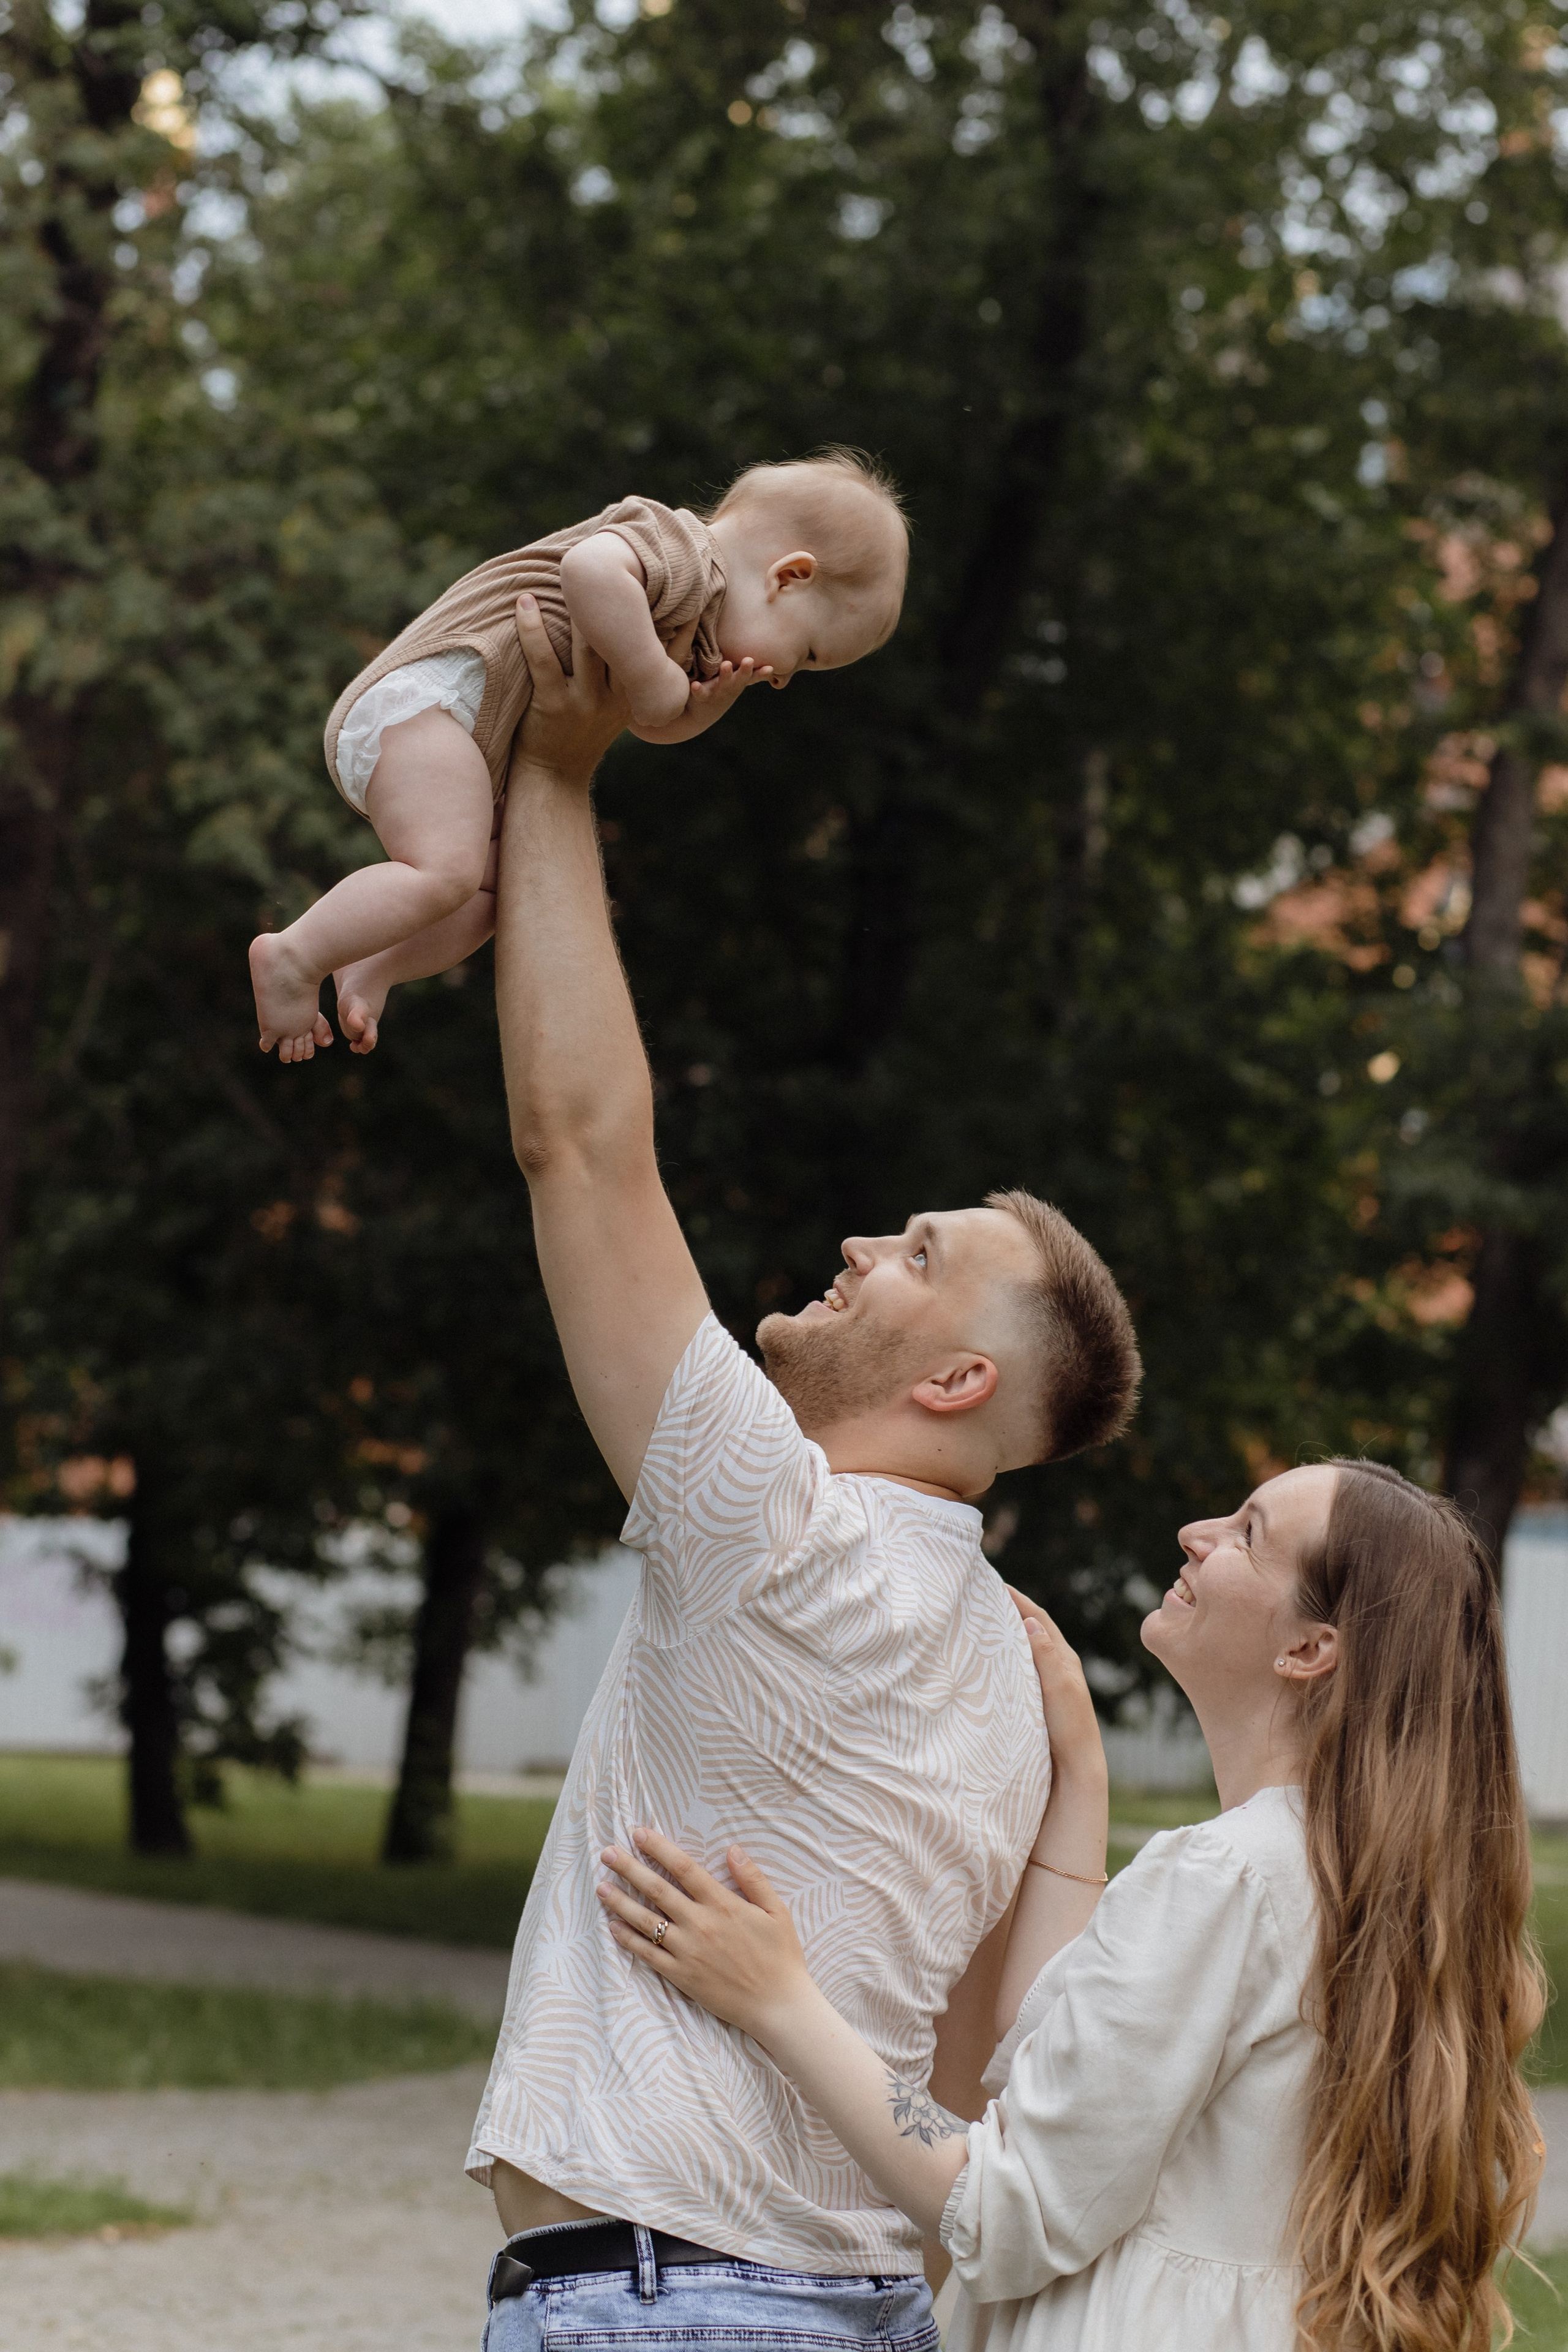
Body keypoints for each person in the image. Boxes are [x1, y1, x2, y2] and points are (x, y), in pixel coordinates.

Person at [464, 602, 1143, 2349]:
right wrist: (1076, 1787)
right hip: (855, 2311)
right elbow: (975, 2081)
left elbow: (583, 1145)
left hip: (660, 2309)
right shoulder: (1013, 1669)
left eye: (914, 1252)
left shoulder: (775, 1525)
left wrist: (554, 761)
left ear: (960, 1377)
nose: (862, 1244)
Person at [602, 1460, 1547, 2352]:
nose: (1197, 1534)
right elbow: (1065, 2063)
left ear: (1309, 1649)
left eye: (1248, 1535)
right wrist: (1080, 1770)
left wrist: (779, 2000)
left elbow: (1001, 2208)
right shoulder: (1330, 1879)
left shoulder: (1227, 1875)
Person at [248, 449, 909, 1062]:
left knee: (495, 892)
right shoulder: (683, 551)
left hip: (466, 741)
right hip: (432, 702)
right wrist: (655, 676)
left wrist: (695, 707)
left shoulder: (693, 627)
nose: (785, 677)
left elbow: (647, 720)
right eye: (810, 655)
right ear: (789, 577)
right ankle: (295, 953)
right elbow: (589, 568)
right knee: (446, 872)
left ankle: (371, 962)